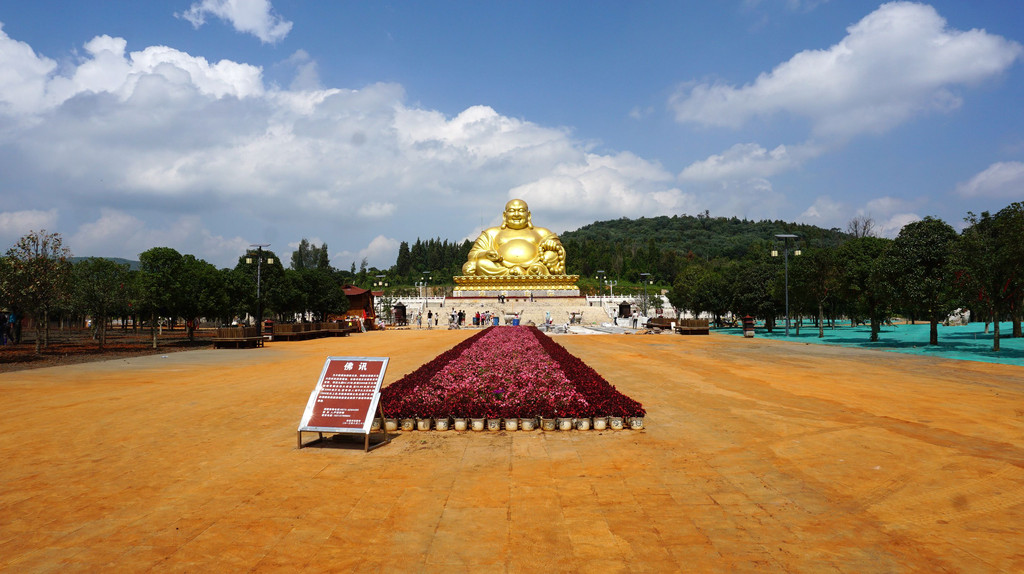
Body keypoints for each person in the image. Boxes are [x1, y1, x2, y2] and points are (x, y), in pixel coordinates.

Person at [461, 199, 566, 277]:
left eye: (521, 210)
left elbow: (560, 252)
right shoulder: (491, 233)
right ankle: (515, 273)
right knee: (481, 264)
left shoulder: (542, 232)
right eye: (512, 211)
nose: (516, 214)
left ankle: (534, 271)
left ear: (528, 215)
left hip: (535, 265)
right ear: (504, 215)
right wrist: (485, 254)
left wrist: (552, 246)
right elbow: (472, 255)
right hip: (501, 268)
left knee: (552, 255)